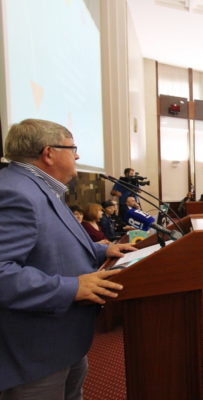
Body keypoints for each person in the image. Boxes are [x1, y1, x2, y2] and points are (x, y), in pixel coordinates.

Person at [0, 119, 135, 398]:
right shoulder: (15, 192)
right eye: (72, 148)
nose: (77, 156)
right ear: (48, 153)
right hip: (35, 350)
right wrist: (71, 287)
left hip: (62, 339)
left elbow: (51, 244)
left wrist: (103, 250)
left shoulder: (42, 188)